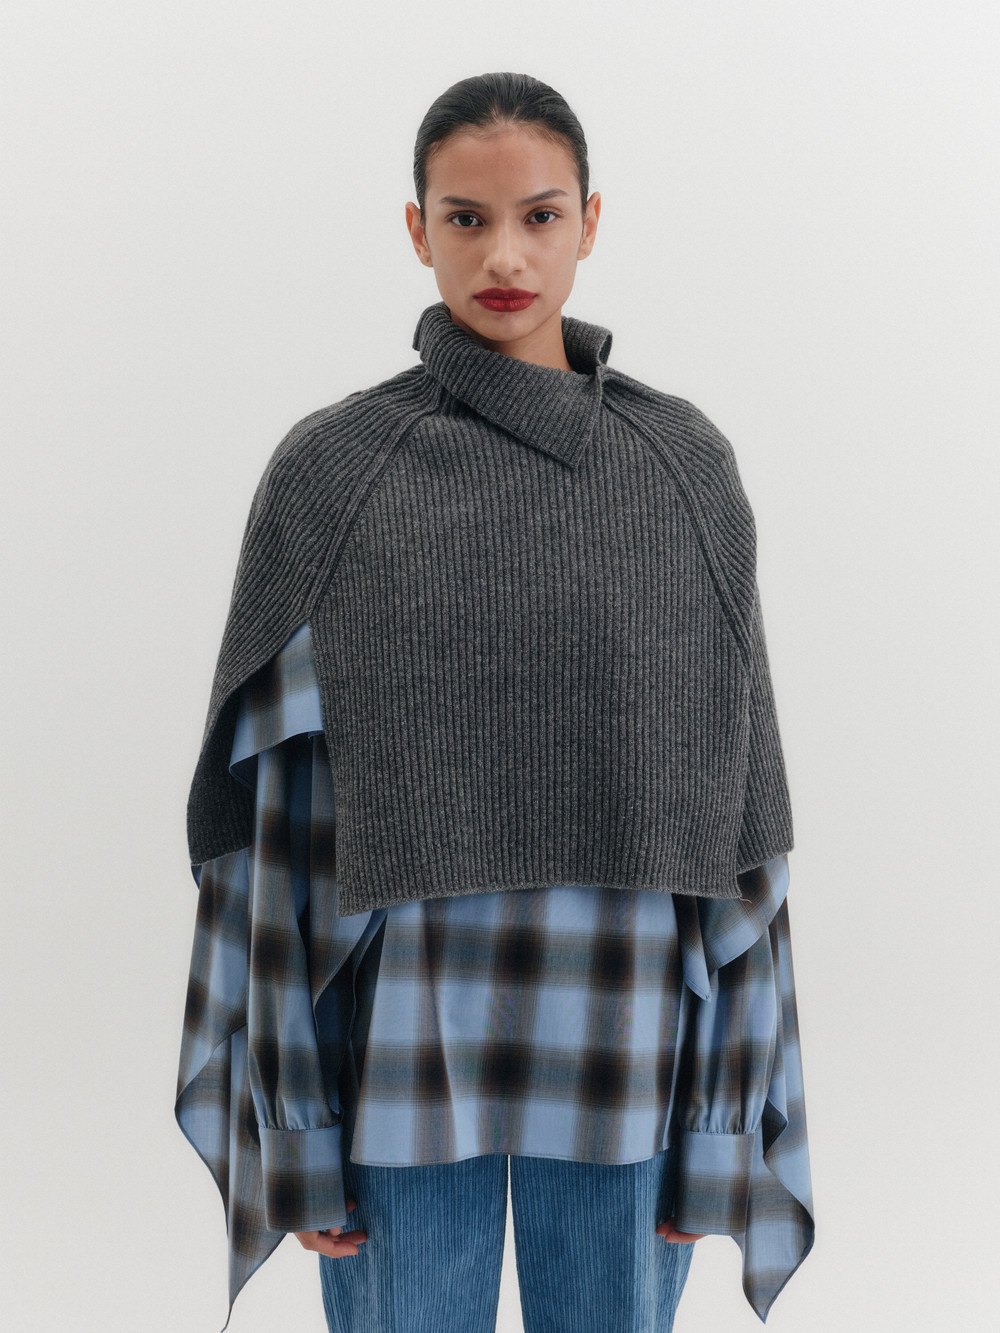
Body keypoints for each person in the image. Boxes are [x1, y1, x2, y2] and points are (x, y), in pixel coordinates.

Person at [176, 72, 814, 1333]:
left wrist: (719, 1122)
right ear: (417, 229)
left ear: (590, 221)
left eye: (539, 215)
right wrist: (291, 1122)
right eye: (466, 219)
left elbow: (744, 819)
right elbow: (275, 833)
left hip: (631, 1034)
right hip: (397, 1042)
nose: (505, 256)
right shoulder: (331, 472)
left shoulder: (681, 466)